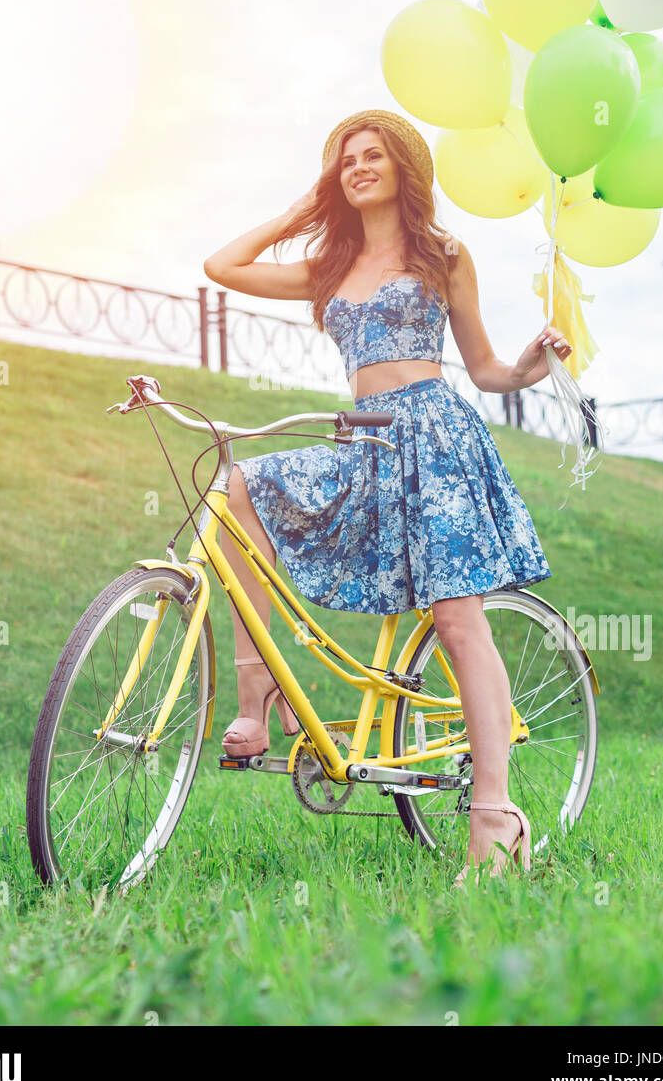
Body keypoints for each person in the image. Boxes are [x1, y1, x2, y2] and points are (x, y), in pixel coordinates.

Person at [202, 109, 572, 883]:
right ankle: (254, 697)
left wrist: (532, 365)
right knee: (240, 485)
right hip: (361, 442)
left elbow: (487, 368)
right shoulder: (329, 265)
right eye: (345, 159)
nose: (359, 166)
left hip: (435, 439)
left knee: (457, 619)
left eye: (373, 155)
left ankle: (497, 813)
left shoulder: (443, 254)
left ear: (405, 167)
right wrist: (306, 209)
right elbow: (223, 266)